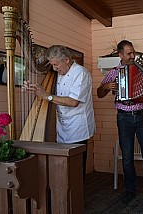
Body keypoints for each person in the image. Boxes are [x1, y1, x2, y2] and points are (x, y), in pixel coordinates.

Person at [97, 40, 143, 207]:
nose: (133, 56)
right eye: (129, 53)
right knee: (127, 157)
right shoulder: (114, 72)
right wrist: (105, 86)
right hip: (124, 118)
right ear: (120, 55)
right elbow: (99, 93)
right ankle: (130, 191)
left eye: (133, 52)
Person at [23, 45, 95, 182]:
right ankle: (64, 198)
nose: (54, 68)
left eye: (56, 64)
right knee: (64, 168)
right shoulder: (59, 72)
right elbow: (48, 92)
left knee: (76, 170)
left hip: (77, 127)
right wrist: (33, 88)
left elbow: (74, 102)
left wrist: (47, 96)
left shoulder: (81, 73)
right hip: (63, 127)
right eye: (52, 65)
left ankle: (77, 200)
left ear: (66, 60)